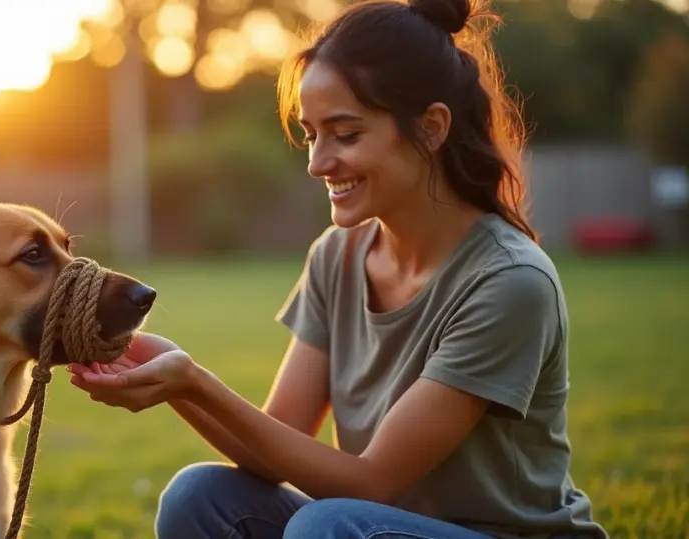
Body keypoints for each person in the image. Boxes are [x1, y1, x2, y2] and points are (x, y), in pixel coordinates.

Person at [68, 0, 610, 536]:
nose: (317, 162)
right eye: (311, 134)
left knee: (326, 527)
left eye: (345, 134)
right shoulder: (338, 256)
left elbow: (373, 486)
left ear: (431, 128)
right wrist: (177, 380)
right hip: (372, 527)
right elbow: (275, 444)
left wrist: (194, 382)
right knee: (200, 497)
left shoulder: (508, 282)